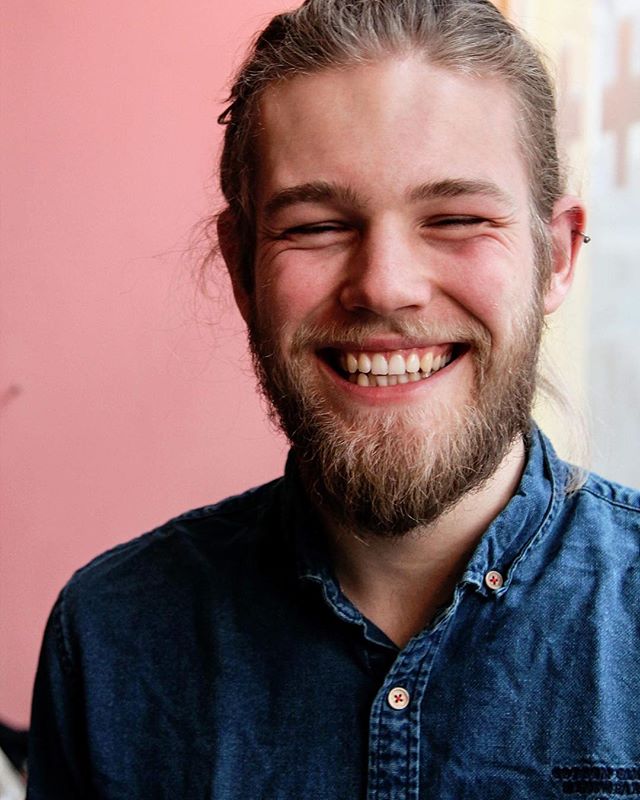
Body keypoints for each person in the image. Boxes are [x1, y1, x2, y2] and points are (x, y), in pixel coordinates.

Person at [27, 0, 640, 797]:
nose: (385, 284)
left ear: (555, 258)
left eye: (455, 218)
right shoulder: (110, 639)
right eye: (315, 227)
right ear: (242, 267)